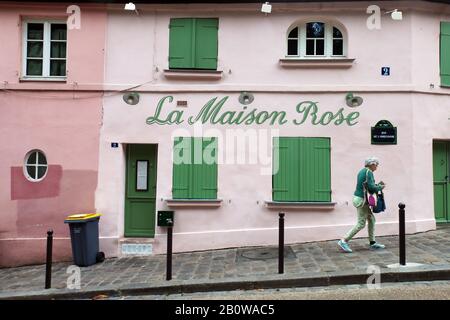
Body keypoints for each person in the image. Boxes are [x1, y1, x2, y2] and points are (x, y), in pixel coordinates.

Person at [338, 157, 386, 253]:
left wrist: (375, 185)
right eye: (376, 164)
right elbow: (371, 188)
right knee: (361, 223)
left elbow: (366, 185)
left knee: (371, 219)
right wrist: (381, 187)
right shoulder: (369, 172)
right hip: (362, 200)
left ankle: (372, 242)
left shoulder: (362, 171)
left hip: (359, 198)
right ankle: (343, 241)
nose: (377, 167)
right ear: (372, 164)